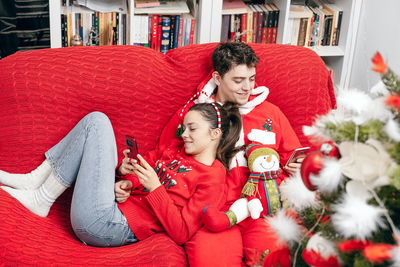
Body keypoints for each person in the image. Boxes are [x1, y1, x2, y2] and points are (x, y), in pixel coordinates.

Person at [0, 101, 242, 247]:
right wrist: (125, 179)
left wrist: (156, 188)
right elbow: (141, 177)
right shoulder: (176, 150)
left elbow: (181, 233)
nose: (184, 134)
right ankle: (35, 181)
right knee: (94, 120)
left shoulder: (213, 177)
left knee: (98, 122)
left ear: (214, 134)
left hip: (110, 226)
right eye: (183, 127)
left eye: (192, 129)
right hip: (112, 207)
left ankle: (42, 197)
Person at [155, 42, 303, 266]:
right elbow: (163, 157)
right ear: (217, 77)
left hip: (261, 208)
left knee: (274, 260)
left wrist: (298, 169)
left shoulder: (271, 113)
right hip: (213, 213)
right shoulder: (193, 115)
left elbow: (294, 156)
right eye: (238, 80)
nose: (247, 87)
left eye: (252, 79)